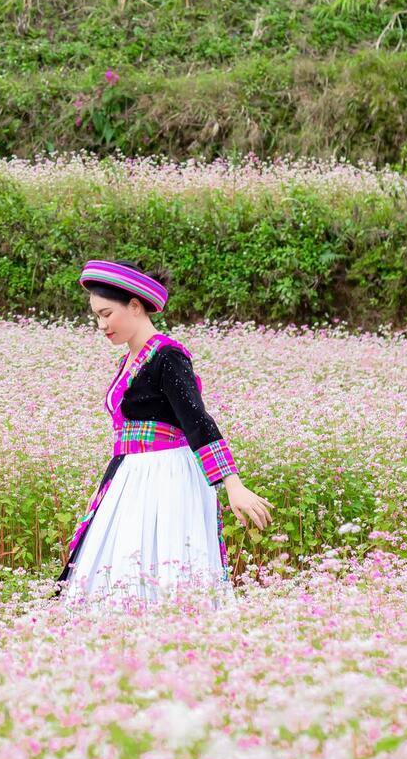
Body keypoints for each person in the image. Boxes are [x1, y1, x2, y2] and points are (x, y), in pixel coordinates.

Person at [55, 259, 273, 606]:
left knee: (159, 566)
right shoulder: (130, 359)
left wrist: (232, 484)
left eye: (107, 313)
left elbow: (197, 421)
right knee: (119, 566)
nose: (101, 324)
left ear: (136, 306)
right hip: (132, 478)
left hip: (167, 479)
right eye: (96, 316)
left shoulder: (168, 357)